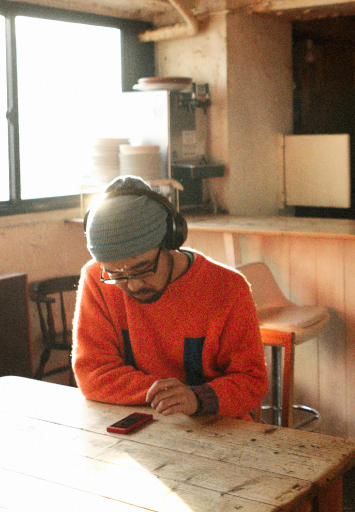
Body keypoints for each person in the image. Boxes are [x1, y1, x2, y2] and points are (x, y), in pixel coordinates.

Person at [72, 176, 267, 420]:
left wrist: (197, 398)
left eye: (143, 268)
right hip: (143, 424)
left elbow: (251, 381)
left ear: (170, 242)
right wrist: (168, 395)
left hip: (218, 427)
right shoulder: (96, 279)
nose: (132, 284)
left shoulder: (228, 288)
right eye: (115, 274)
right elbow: (93, 374)